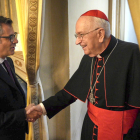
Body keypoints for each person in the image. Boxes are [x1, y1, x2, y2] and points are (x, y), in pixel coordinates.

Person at [28, 10, 140, 140]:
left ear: (100, 34)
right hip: (90, 127)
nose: (77, 41)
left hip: (122, 132)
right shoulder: (91, 54)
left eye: (81, 35)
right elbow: (71, 92)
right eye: (77, 35)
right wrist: (42, 108)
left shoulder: (132, 53)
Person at [0, 16, 42, 140]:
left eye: (15, 35)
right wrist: (23, 113)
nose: (16, 41)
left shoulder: (9, 63)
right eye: (11, 37)